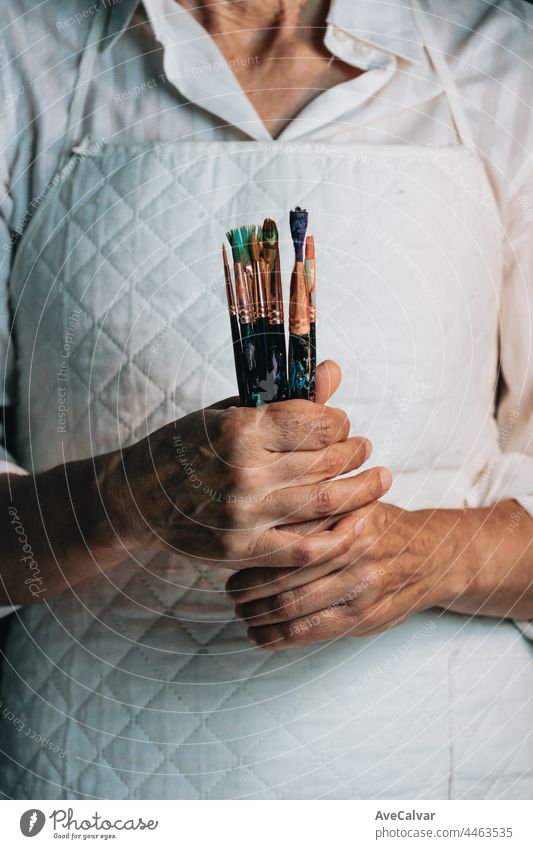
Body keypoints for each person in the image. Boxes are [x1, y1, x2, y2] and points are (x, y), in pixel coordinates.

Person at [0, 0, 532, 800]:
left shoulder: (504, 58)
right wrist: (125, 497)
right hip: (94, 783)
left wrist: (433, 554)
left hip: (441, 781)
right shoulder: (18, 61)